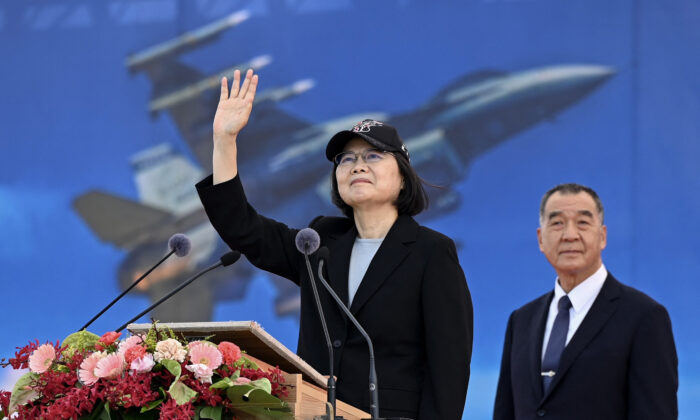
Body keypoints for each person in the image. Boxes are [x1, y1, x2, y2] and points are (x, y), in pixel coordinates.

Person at [195, 69, 473, 419]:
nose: (357, 165)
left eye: (373, 156)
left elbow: (449, 366)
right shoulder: (319, 241)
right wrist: (224, 141)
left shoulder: (431, 252)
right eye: (346, 159)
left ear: (403, 179)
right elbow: (242, 227)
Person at [493, 183, 678, 420]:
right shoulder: (521, 320)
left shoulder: (643, 317)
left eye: (582, 222)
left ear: (602, 236)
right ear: (541, 239)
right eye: (557, 223)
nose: (570, 235)